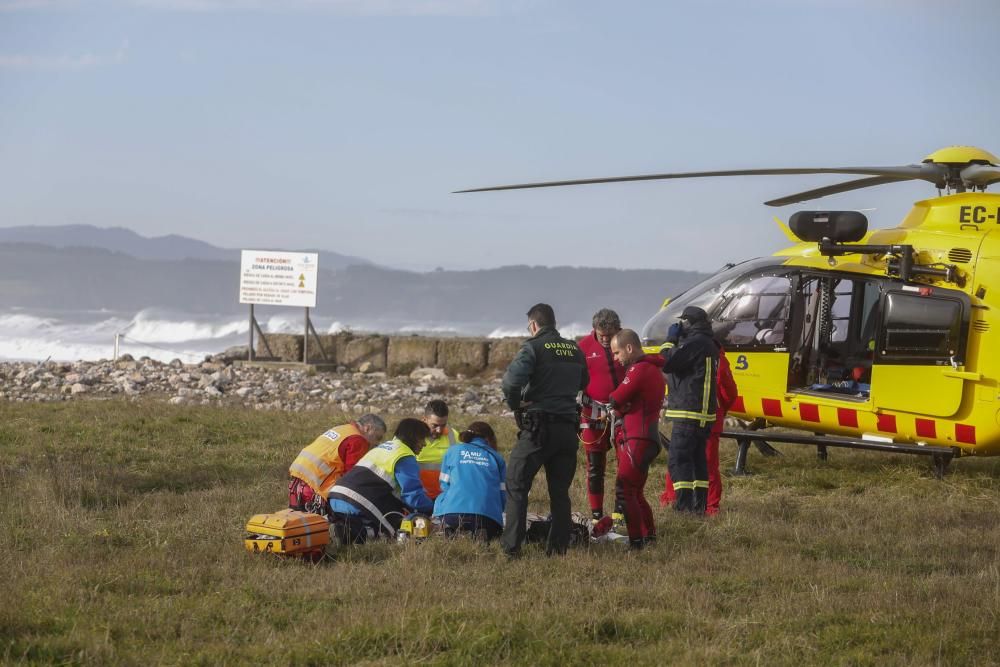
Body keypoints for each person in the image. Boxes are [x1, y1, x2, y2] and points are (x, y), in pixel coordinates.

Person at [501, 303, 589, 557]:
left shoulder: (533, 347)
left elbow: (510, 382)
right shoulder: (574, 348)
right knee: (559, 492)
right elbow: (584, 381)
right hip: (567, 429)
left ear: (533, 325)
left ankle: (512, 548)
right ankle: (558, 548)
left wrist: (517, 404)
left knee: (517, 484)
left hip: (538, 428)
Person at [659, 338, 738, 515]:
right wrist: (720, 410)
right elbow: (730, 391)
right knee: (708, 463)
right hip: (709, 419)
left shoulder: (683, 354)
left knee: (678, 459)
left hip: (684, 416)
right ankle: (709, 506)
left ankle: (673, 498)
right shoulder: (719, 359)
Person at [327, 418, 435, 544]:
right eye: (423, 439)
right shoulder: (404, 455)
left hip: (336, 496)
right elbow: (413, 498)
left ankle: (334, 530)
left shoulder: (383, 447)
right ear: (414, 437)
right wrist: (435, 509)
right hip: (358, 500)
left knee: (361, 522)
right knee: (393, 533)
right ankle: (348, 534)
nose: (425, 444)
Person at [608, 329, 665, 549]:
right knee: (636, 491)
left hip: (638, 439)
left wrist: (619, 405)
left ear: (629, 348)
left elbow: (616, 397)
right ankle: (648, 535)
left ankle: (636, 542)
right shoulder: (652, 368)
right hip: (647, 437)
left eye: (617, 353)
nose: (616, 358)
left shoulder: (639, 369)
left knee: (625, 490)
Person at [660, 305, 719, 514]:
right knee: (697, 461)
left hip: (689, 413)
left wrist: (670, 340)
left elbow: (667, 361)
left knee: (678, 459)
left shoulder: (695, 343)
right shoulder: (709, 343)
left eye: (683, 322)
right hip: (703, 414)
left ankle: (683, 506)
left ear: (689, 323)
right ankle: (698, 507)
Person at [577, 308, 627, 525]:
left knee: (625, 464)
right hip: (593, 414)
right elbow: (574, 382)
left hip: (623, 412)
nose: (606, 339)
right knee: (595, 467)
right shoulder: (583, 347)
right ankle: (597, 515)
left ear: (618, 329)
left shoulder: (627, 342)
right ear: (594, 330)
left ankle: (620, 512)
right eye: (601, 334)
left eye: (610, 334)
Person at [288, 413, 387, 515]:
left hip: (297, 483)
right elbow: (353, 476)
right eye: (378, 437)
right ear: (367, 428)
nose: (376, 443)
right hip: (317, 488)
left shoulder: (342, 429)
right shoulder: (358, 440)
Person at [433, 422, 507, 542]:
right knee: (489, 526)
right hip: (488, 516)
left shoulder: (452, 451)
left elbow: (444, 485)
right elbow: (503, 494)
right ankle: (481, 531)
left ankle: (450, 528)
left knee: (442, 498)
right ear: (489, 438)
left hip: (452, 513)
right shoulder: (497, 458)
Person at [415, 399, 459, 500]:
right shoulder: (412, 436)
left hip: (446, 498)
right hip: (419, 498)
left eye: (443, 425)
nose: (439, 430)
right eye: (434, 425)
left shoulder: (454, 436)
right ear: (424, 419)